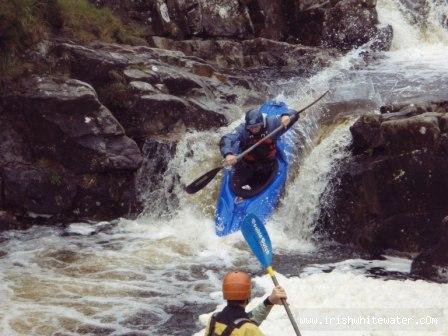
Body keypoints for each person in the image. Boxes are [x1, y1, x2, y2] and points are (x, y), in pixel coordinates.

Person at [219, 107, 294, 197]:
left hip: (267, 163)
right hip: (249, 164)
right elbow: (226, 138)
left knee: (264, 166)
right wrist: (228, 154)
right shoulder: (243, 129)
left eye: (256, 127)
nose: (253, 129)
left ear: (261, 123)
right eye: (251, 127)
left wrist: (286, 116)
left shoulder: (272, 123)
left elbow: (295, 114)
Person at [204, 271, 288, 336]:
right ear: (248, 296)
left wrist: (269, 301)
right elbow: (246, 325)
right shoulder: (250, 330)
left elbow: (243, 321)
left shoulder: (213, 319)